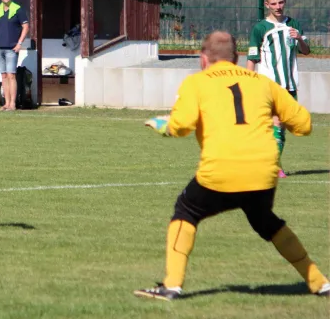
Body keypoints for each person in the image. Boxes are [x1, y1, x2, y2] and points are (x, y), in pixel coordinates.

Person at [136, 31, 329, 301]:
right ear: (236, 58)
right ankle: (319, 282)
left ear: (203, 59)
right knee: (266, 222)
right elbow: (304, 125)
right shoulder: (263, 82)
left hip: (221, 170)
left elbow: (180, 126)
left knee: (186, 211)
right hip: (264, 170)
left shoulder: (197, 82)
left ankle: (172, 286)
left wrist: (162, 124)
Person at [246, 0, 310, 178]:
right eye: (274, 3)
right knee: (276, 121)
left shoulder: (294, 24)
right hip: (269, 85)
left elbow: (306, 51)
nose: (278, 6)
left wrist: (299, 38)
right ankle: (273, 166)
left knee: (280, 127)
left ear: (285, 2)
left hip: (290, 84)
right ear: (267, 5)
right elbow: (252, 58)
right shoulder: (260, 28)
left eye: (281, 2)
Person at [0, 0, 29, 111]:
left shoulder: (18, 10)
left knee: (11, 75)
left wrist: (19, 43)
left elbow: (26, 27)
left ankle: (12, 104)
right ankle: (6, 104)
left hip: (12, 48)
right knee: (4, 76)